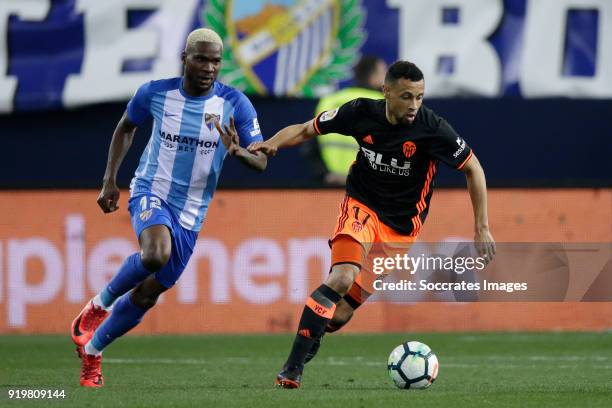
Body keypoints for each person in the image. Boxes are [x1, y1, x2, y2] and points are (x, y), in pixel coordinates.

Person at [248, 60, 496, 388]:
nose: (414, 105)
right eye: (406, 96)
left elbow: (473, 168)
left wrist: (482, 227)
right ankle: (292, 369)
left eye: (419, 97)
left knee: (339, 314)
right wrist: (274, 142)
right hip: (361, 207)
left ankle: (316, 332)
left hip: (400, 230)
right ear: (387, 92)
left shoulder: (432, 128)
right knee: (341, 277)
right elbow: (308, 128)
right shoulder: (360, 112)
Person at [70, 28, 267, 388]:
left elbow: (262, 161)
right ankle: (99, 305)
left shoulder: (235, 104)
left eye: (216, 60)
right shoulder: (155, 92)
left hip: (193, 211)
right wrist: (109, 180)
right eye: (202, 58)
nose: (209, 67)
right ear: (185, 59)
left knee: (148, 293)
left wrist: (238, 151)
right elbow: (126, 127)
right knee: (156, 253)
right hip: (152, 189)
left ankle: (93, 353)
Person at [302, 56, 386, 185]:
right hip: (366, 188)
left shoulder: (329, 101)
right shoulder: (384, 105)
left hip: (329, 186)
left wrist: (325, 174)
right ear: (372, 77)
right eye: (384, 74)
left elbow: (309, 147)